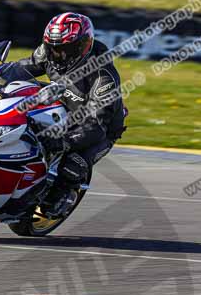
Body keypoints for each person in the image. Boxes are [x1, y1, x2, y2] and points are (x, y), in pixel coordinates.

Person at [17, 12, 126, 216]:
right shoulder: (48, 52)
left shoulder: (103, 76)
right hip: (62, 106)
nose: (60, 56)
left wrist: (65, 142)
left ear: (84, 45)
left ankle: (63, 196)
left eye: (66, 49)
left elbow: (95, 126)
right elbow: (21, 69)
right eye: (54, 49)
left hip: (99, 127)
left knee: (72, 165)